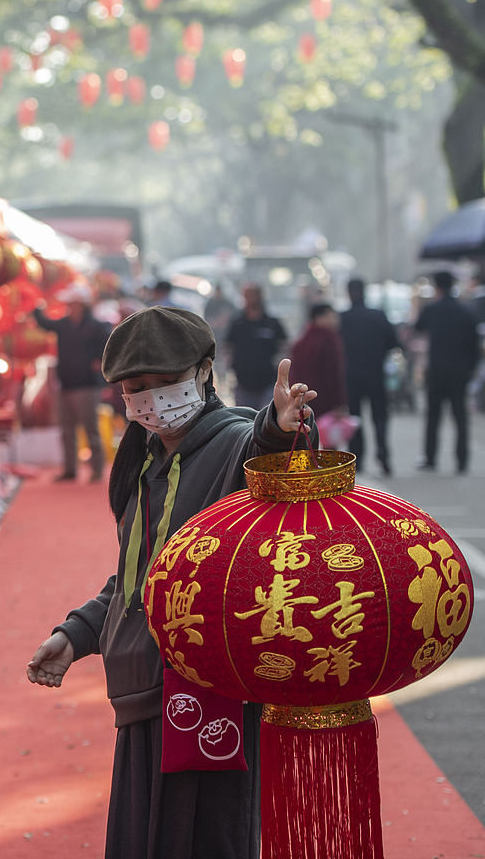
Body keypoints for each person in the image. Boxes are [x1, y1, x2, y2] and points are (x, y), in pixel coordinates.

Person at [26, 307, 317, 859]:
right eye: (136, 388)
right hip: (141, 687)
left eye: (166, 384)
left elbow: (267, 456)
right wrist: (79, 632)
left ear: (205, 371)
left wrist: (280, 427)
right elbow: (138, 575)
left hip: (207, 688)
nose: (151, 399)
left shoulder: (232, 443)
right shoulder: (142, 461)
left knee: (209, 839)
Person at [33, 283, 112, 481]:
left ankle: (96, 469)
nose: (69, 307)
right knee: (67, 430)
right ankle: (70, 469)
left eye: (72, 303)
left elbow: (110, 343)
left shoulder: (95, 326)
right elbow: (44, 323)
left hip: (86, 385)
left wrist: (99, 361)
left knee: (90, 428)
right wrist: (36, 305)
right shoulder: (63, 324)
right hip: (66, 384)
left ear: (81, 304)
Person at [413, 270, 480, 473]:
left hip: (437, 370)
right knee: (460, 416)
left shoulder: (432, 309)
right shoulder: (466, 311)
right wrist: (470, 369)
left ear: (437, 287)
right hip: (460, 372)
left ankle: (430, 458)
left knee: (433, 415)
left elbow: (417, 327)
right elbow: (475, 345)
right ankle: (462, 460)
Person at [340, 278, 400, 474]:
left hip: (351, 375)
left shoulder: (343, 318)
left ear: (348, 292)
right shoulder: (378, 316)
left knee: (354, 417)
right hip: (376, 373)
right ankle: (382, 452)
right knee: (380, 416)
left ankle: (357, 458)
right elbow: (393, 343)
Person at [290, 302, 349, 446]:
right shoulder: (329, 340)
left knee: (306, 443)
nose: (336, 319)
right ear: (318, 318)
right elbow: (334, 374)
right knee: (329, 447)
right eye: (331, 316)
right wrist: (339, 403)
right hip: (326, 401)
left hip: (303, 401)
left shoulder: (300, 341)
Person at [225, 282, 287, 408]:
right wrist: (230, 365)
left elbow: (283, 345)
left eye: (252, 295)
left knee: (267, 419)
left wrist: (278, 363)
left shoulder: (271, 323)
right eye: (246, 295)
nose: (250, 298)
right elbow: (228, 346)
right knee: (246, 419)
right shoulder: (238, 323)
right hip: (243, 381)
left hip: (268, 381)